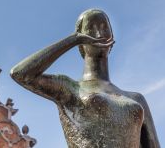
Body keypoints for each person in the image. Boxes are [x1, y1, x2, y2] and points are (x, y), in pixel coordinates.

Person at [10, 9, 160, 148]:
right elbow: (20, 74)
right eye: (90, 29)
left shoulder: (137, 99)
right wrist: (73, 39)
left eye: (104, 27)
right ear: (80, 42)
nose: (98, 32)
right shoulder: (69, 88)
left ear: (112, 37)